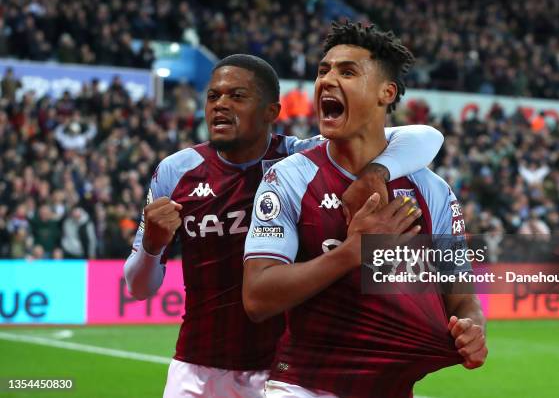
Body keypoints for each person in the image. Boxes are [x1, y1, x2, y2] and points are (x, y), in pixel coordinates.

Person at [123, 53, 445, 398]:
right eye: (213, 96)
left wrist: (375, 173)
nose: (220, 105)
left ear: (271, 113)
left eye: (237, 96)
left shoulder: (298, 162)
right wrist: (154, 245)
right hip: (195, 371)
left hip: (284, 375)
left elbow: (426, 137)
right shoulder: (176, 171)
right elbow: (139, 288)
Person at [243, 22, 487, 397]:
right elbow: (257, 297)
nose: (326, 80)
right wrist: (351, 253)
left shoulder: (431, 190)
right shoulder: (288, 177)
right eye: (323, 70)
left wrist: (472, 327)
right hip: (305, 385)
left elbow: (461, 294)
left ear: (385, 93)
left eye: (347, 71)